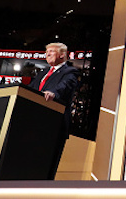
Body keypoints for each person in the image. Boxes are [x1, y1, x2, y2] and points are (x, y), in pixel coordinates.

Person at [28, 42, 79, 178]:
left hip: (54, 124)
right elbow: (30, 89)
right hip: (34, 123)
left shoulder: (70, 71)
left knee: (45, 166)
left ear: (62, 54)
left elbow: (65, 86)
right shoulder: (43, 72)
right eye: (46, 52)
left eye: (51, 51)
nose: (47, 54)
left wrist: (53, 93)